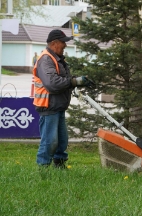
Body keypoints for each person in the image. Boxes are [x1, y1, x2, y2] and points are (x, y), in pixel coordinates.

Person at [33, 29, 95, 168]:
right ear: (54, 43)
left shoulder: (57, 59)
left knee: (61, 141)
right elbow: (52, 84)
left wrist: (76, 81)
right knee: (50, 141)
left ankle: (59, 166)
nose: (65, 45)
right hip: (48, 106)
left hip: (58, 106)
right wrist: (73, 82)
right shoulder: (46, 59)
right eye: (63, 42)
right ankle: (43, 169)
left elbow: (63, 80)